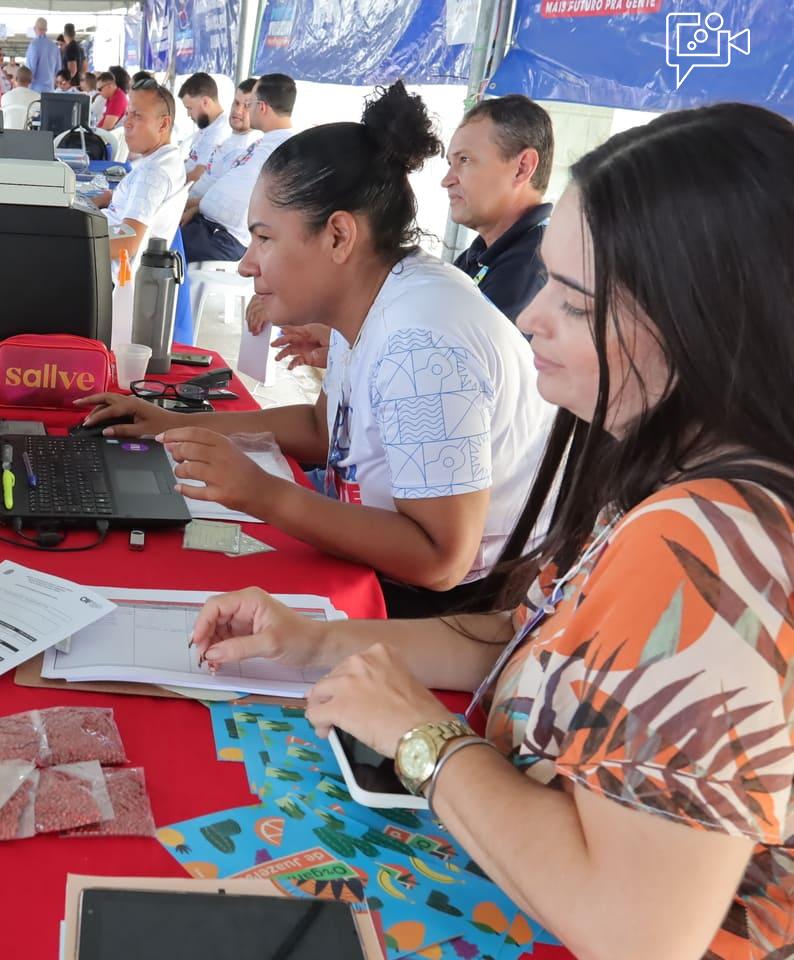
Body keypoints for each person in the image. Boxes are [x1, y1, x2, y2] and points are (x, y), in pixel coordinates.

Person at [189, 102, 794, 960]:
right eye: (545, 282)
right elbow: (522, 639)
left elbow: (638, 934)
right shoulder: (662, 481)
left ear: (710, 328)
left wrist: (422, 739)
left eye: (576, 303)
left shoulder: (708, 547)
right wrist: (315, 641)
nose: (531, 319)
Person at [82, 83, 554, 617]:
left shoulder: (421, 342)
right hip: (399, 570)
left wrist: (263, 494)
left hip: (461, 609)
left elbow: (440, 559)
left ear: (338, 236)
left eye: (265, 239)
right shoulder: (378, 299)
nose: (246, 263)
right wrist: (165, 423)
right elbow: (323, 429)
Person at [443, 95, 556, 322]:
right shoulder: (480, 256)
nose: (446, 180)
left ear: (522, 168)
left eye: (464, 159)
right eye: (450, 164)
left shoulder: (532, 269)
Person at [181, 72, 298, 264]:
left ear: (261, 107)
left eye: (249, 104)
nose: (244, 110)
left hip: (222, 238)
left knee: (155, 247)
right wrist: (197, 208)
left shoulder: (282, 151)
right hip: (209, 226)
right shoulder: (266, 143)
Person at [90, 79, 185, 265]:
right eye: (127, 114)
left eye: (137, 116)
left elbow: (128, 242)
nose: (126, 123)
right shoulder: (167, 159)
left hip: (104, 273)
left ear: (163, 125)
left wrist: (75, 244)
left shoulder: (153, 173)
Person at [184, 77, 260, 211]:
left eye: (247, 106)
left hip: (201, 216)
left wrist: (182, 207)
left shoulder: (247, 149)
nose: (238, 110)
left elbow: (222, 198)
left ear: (258, 109)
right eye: (236, 103)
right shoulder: (231, 140)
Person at [178, 71, 231, 179]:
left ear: (205, 102)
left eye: (189, 108)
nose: (188, 114)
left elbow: (198, 175)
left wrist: (169, 183)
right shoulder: (209, 127)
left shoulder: (218, 132)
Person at [26, 17, 58, 93]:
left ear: (34, 28)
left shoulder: (34, 45)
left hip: (35, 89)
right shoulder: (54, 46)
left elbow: (30, 69)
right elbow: (58, 69)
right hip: (50, 89)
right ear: (46, 30)